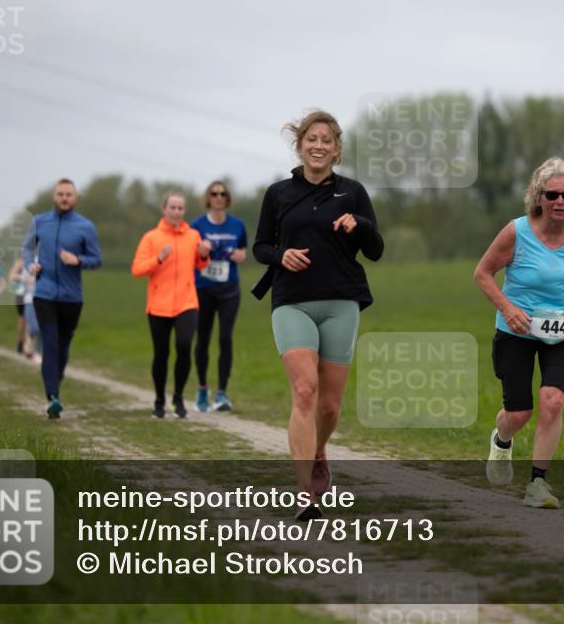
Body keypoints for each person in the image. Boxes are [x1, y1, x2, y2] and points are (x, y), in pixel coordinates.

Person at [253, 110, 384, 521]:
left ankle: (319, 450)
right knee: (305, 391)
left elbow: (376, 249)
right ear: (300, 144)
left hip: (341, 300)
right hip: (291, 300)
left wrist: (359, 223)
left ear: (337, 148)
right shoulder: (278, 194)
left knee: (329, 406)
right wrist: (280, 255)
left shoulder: (353, 192)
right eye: (312, 138)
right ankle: (305, 491)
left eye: (327, 140)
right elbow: (260, 246)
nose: (319, 145)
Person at [473, 157, 564, 508]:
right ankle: (501, 440)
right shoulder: (516, 231)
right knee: (519, 414)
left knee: (553, 401)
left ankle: (538, 484)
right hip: (515, 332)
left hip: (560, 332)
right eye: (553, 194)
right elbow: (482, 274)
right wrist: (508, 308)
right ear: (539, 197)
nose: (560, 201)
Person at [22, 178, 102, 419]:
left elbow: (96, 259)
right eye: (60, 194)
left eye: (69, 194)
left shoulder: (85, 226)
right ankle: (52, 398)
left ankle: (55, 384)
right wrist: (30, 265)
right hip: (44, 293)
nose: (64, 198)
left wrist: (78, 261)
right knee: (50, 343)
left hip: (72, 297)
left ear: (75, 198)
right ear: (54, 197)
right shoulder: (39, 222)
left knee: (63, 346)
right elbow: (26, 248)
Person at [132, 192, 211, 419]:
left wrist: (204, 255)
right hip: (158, 305)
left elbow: (201, 265)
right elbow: (137, 269)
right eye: (172, 207)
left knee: (185, 346)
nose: (176, 212)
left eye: (180, 208)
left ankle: (178, 397)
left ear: (184, 211)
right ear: (164, 209)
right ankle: (159, 399)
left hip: (187, 302)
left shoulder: (193, 235)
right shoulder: (151, 238)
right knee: (161, 354)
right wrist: (158, 258)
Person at [191, 180, 247, 412]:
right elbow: (189, 255)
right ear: (208, 198)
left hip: (229, 289)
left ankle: (222, 393)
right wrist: (200, 249)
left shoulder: (237, 225)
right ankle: (203, 389)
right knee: (203, 338)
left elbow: (243, 252)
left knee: (225, 337)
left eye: (223, 193)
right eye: (214, 193)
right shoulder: (196, 225)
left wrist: (237, 255)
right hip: (203, 288)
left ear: (227, 198)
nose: (219, 197)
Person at [9, 256, 28, 353]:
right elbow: (11, 277)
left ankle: (28, 345)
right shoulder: (21, 262)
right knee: (23, 320)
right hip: (22, 294)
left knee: (30, 320)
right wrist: (22, 278)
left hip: (34, 294)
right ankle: (20, 342)